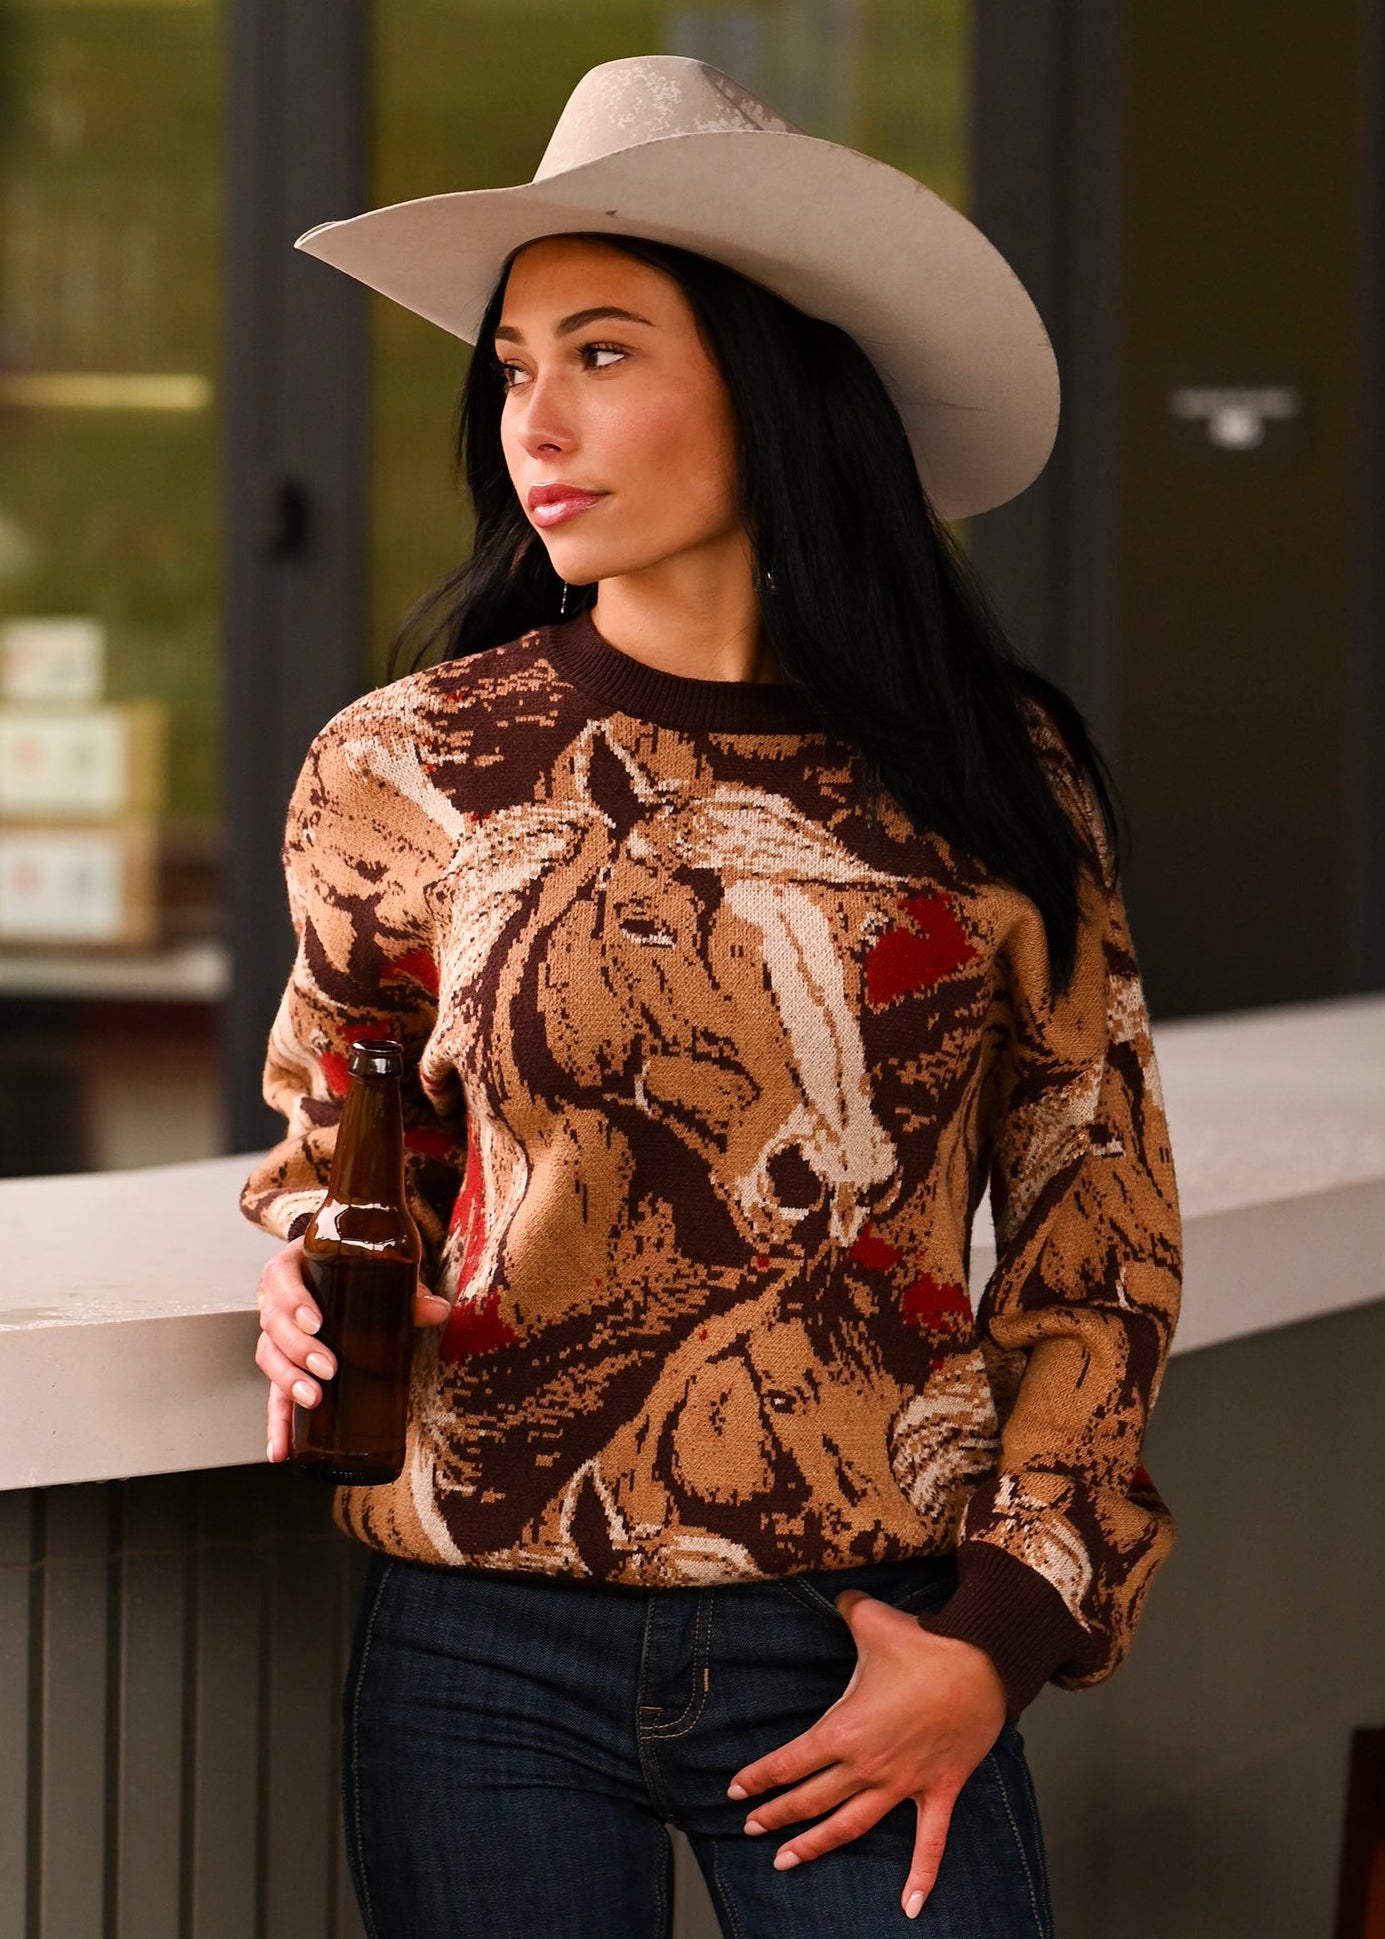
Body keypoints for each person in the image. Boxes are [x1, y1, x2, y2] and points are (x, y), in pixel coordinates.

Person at [246, 53, 1182, 1939]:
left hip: (863, 1641)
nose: (534, 420)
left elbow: (1101, 1239)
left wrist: (994, 1640)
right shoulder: (406, 764)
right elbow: (343, 1136)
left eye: (600, 353)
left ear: (771, 388)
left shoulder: (990, 775)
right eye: (513, 366)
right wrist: (297, 1260)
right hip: (477, 1641)